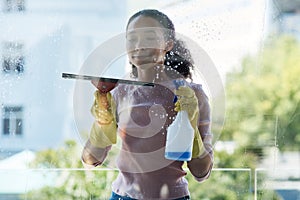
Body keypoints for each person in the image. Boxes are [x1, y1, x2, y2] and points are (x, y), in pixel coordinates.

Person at [81, 9, 213, 200]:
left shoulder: (193, 96)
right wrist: (103, 123)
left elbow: (201, 172)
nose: (139, 46)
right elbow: (91, 159)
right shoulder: (119, 94)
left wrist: (190, 128)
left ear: (168, 44)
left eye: (149, 38)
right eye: (132, 39)